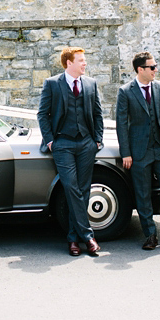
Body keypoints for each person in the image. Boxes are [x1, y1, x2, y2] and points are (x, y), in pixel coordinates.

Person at [115, 51, 160, 250]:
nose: (156, 70)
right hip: (140, 151)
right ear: (141, 69)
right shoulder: (125, 91)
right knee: (143, 193)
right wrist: (126, 153)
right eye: (152, 67)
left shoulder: (159, 87)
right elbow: (121, 124)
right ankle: (150, 235)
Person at [37, 46, 104, 257]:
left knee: (84, 189)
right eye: (81, 60)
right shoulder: (52, 84)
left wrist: (98, 140)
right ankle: (88, 236)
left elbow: (98, 113)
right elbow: (42, 114)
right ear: (69, 63)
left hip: (86, 143)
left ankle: (73, 239)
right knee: (71, 186)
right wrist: (50, 141)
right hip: (62, 143)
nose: (85, 63)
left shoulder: (91, 84)